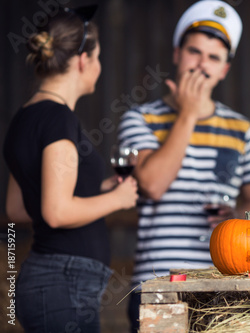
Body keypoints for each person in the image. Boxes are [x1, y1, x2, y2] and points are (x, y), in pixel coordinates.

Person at [117, 1, 250, 330]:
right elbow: (152, 184)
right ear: (177, 54)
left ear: (225, 70)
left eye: (213, 58)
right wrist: (188, 113)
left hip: (221, 284)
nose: (202, 65)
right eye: (194, 52)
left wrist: (236, 218)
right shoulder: (139, 119)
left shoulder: (242, 129)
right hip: (157, 286)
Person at [3, 5, 139, 333]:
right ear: (83, 61)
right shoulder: (59, 119)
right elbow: (56, 212)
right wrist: (119, 198)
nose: (99, 66)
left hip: (50, 281)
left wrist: (97, 191)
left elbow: (18, 208)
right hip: (63, 283)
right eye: (98, 57)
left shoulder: (24, 118)